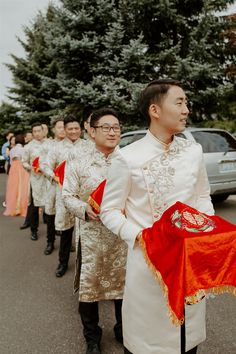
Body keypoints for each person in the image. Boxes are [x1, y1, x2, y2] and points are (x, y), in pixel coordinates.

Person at [100, 79, 215, 354]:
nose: (186, 109)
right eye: (179, 102)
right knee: (149, 341)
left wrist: (207, 234)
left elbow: (202, 196)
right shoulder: (127, 158)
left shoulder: (193, 151)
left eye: (186, 102)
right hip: (148, 263)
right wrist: (140, 237)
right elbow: (110, 210)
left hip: (188, 258)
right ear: (155, 110)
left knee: (188, 338)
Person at [62, 108, 127, 354]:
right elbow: (67, 195)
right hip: (92, 236)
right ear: (92, 131)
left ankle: (123, 329)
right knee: (90, 290)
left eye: (116, 127)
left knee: (125, 286)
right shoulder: (78, 161)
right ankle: (92, 337)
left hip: (122, 237)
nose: (112, 132)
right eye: (106, 127)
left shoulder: (128, 160)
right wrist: (84, 208)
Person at [41, 114, 82, 277]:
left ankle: (83, 267)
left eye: (76, 128)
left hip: (83, 196)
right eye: (70, 128)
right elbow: (45, 165)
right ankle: (62, 262)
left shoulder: (87, 146)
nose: (73, 131)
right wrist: (55, 176)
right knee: (66, 230)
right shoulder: (56, 148)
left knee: (82, 232)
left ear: (81, 129)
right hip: (64, 193)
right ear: (64, 130)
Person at [40, 116, 65, 255]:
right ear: (54, 129)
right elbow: (43, 165)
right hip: (52, 185)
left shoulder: (71, 145)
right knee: (50, 213)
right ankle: (50, 241)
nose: (62, 130)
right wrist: (54, 175)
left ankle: (66, 242)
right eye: (59, 127)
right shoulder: (47, 146)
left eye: (64, 127)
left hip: (67, 187)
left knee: (67, 215)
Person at [22, 122, 48, 241]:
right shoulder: (28, 147)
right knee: (34, 206)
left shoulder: (50, 144)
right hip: (35, 179)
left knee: (51, 203)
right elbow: (24, 162)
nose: (37, 133)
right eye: (35, 132)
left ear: (43, 131)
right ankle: (34, 230)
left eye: (39, 131)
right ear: (32, 133)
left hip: (49, 179)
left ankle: (54, 230)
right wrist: (32, 168)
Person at [3, 134, 29, 217]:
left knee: (13, 187)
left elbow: (11, 161)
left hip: (13, 168)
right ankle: (21, 207)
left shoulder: (12, 149)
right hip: (21, 167)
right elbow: (25, 159)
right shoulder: (24, 149)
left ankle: (13, 207)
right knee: (22, 187)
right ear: (22, 140)